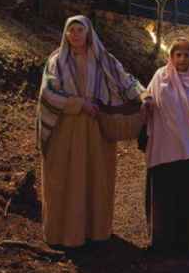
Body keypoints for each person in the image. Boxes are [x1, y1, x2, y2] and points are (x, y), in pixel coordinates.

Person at [37, 15, 143, 248]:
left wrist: (146, 97)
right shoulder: (56, 61)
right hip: (65, 129)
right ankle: (62, 234)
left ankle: (95, 232)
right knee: (64, 179)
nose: (75, 34)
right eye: (71, 30)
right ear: (65, 34)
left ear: (88, 33)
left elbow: (126, 82)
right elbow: (47, 93)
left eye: (79, 30)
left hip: (96, 128)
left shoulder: (104, 59)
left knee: (96, 178)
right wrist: (78, 104)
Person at [139, 38, 189, 255]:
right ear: (171, 57)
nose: (182, 59)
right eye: (178, 55)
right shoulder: (160, 77)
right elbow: (148, 105)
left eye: (186, 55)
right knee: (162, 197)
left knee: (187, 198)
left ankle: (185, 242)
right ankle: (160, 241)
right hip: (163, 148)